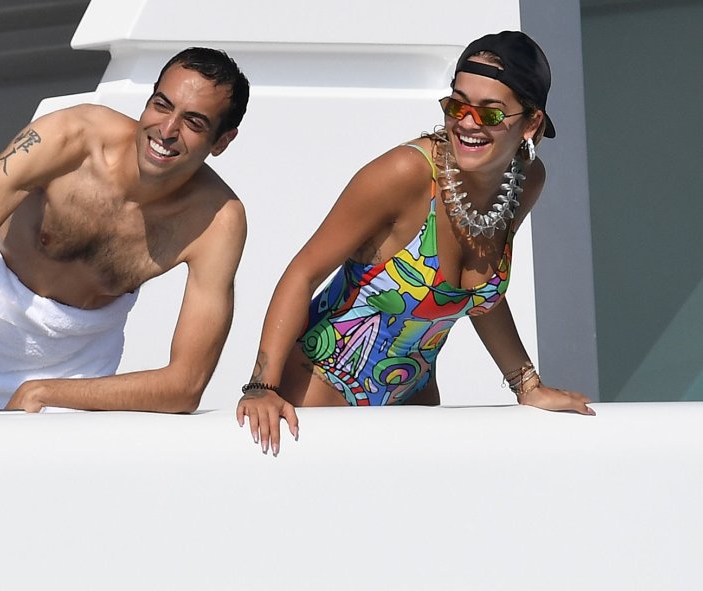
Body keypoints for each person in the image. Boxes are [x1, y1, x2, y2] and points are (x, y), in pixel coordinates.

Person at [0, 48, 250, 452]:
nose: (167, 129)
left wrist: (45, 390)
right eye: (161, 105)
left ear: (222, 141)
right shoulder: (72, 136)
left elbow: (186, 384)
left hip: (76, 372)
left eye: (193, 122)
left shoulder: (217, 220)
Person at [236, 31, 592, 454]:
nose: (468, 123)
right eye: (457, 105)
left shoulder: (525, 181)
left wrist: (527, 385)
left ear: (531, 123)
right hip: (318, 394)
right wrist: (261, 387)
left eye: (490, 113)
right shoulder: (405, 175)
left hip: (414, 400)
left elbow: (482, 295)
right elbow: (302, 273)